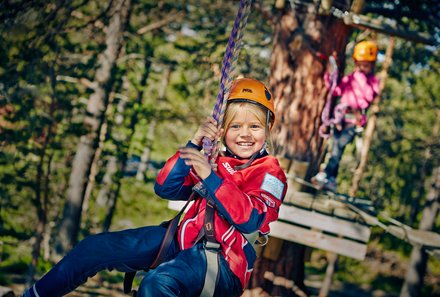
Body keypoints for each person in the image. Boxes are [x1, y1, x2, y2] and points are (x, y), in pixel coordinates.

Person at [21, 78, 287, 297]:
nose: (245, 134)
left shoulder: (270, 173)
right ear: (223, 130)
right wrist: (194, 143)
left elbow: (252, 219)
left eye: (254, 126)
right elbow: (166, 186)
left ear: (268, 127)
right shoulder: (214, 161)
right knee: (94, 248)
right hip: (179, 242)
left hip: (223, 263)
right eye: (236, 126)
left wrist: (211, 178)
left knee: (157, 285)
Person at [313, 40, 380, 192]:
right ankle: (331, 180)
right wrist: (330, 75)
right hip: (340, 118)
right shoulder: (350, 78)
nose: (362, 68)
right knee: (336, 149)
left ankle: (326, 175)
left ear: (372, 65)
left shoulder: (373, 82)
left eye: (366, 65)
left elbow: (369, 97)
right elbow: (336, 90)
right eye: (360, 64)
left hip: (354, 122)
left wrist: (360, 79)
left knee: (338, 148)